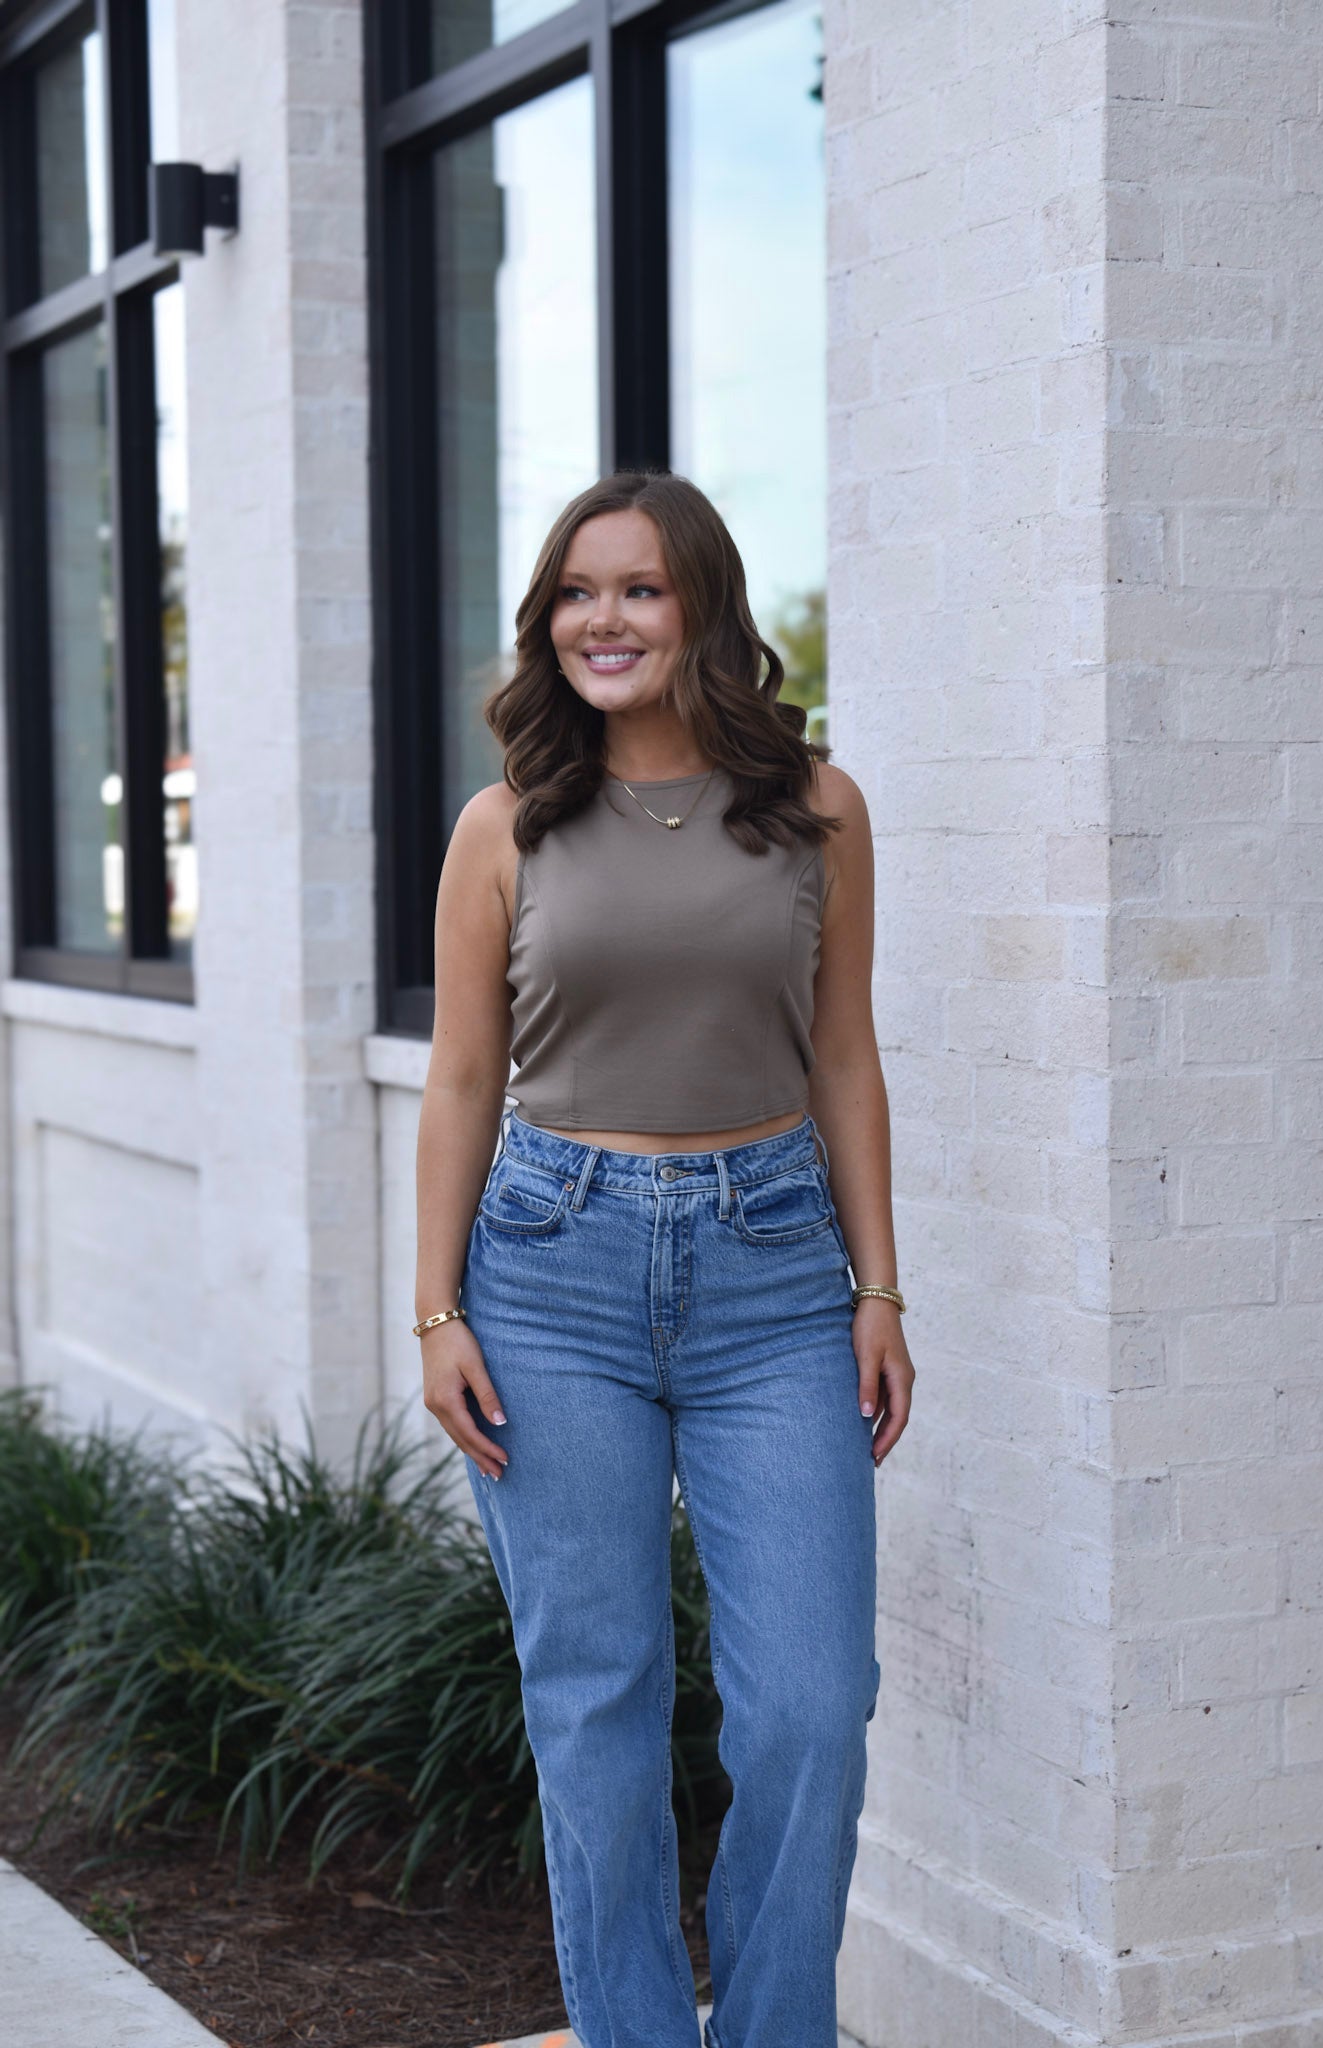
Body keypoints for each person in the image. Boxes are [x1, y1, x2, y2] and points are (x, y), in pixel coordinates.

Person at [412, 468, 914, 2048]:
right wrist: (435, 1308)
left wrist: (878, 1289)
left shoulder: (816, 807)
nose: (601, 619)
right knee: (598, 1711)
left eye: (635, 587)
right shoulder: (506, 825)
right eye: (574, 591)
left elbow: (843, 1058)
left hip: (774, 1272)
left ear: (698, 604)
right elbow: (459, 1077)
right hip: (551, 1272)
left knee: (811, 1711)